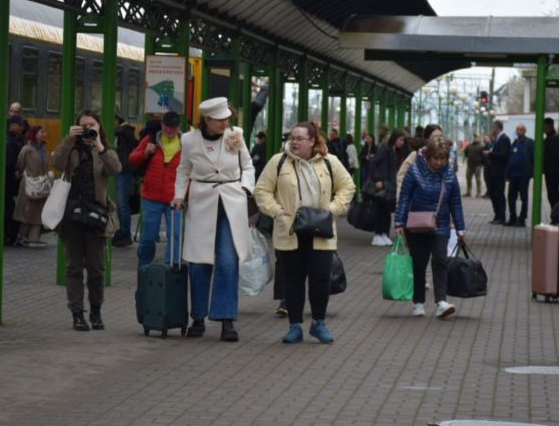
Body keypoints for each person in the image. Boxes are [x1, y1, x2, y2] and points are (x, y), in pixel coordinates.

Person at [253, 121, 355, 344]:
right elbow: (261, 191)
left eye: (300, 138)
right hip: (290, 230)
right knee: (293, 279)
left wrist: (333, 209)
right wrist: (278, 212)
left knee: (320, 278)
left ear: (312, 141)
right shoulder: (278, 162)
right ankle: (295, 326)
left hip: (321, 230)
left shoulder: (330, 162)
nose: (294, 142)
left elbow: (348, 186)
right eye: (292, 138)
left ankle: (319, 323)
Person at [172, 98, 255, 342]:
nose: (225, 123)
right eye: (220, 120)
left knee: (228, 261)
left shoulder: (235, 135)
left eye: (227, 118)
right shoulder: (188, 140)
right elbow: (183, 170)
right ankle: (198, 317)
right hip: (201, 203)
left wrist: (245, 189)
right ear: (206, 120)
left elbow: (247, 166)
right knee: (199, 263)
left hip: (231, 202)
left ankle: (226, 319)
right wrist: (178, 196)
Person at [52, 110, 121, 331]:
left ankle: (96, 311)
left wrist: (99, 145)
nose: (89, 128)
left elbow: (115, 169)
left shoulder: (104, 150)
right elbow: (57, 163)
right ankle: (77, 314)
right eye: (84, 125)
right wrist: (68, 139)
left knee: (96, 268)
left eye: (92, 124)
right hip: (72, 216)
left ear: (99, 126)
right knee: (74, 268)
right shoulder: (71, 148)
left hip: (96, 216)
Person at [395, 138, 466, 319]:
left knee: (440, 260)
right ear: (428, 157)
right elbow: (404, 197)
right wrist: (399, 222)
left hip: (441, 224)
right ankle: (418, 302)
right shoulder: (415, 171)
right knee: (419, 263)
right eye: (436, 158)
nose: (439, 162)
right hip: (417, 225)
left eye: (443, 159)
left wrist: (460, 228)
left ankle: (441, 301)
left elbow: (455, 202)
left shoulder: (449, 175)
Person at [130, 111, 183, 266]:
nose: (169, 130)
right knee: (148, 237)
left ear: (179, 127)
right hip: (151, 197)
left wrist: (185, 194)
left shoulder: (185, 143)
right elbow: (132, 160)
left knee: (175, 235)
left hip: (175, 199)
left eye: (173, 127)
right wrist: (145, 152)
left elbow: (191, 169)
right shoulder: (151, 139)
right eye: (166, 126)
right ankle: (144, 267)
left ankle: (171, 269)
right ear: (162, 124)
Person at [367, 129, 409, 246]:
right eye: (401, 140)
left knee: (385, 210)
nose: (402, 143)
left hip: (388, 184)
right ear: (395, 139)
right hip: (382, 184)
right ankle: (378, 234)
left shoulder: (391, 150)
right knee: (380, 210)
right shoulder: (385, 150)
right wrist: (378, 180)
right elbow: (374, 164)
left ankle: (384, 233)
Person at [13, 125, 50, 247]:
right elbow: (20, 164)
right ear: (35, 134)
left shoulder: (43, 150)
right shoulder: (27, 149)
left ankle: (34, 237)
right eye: (42, 132)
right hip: (29, 183)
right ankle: (22, 236)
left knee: (38, 210)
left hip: (41, 183)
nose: (44, 134)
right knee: (27, 209)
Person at [113, 115, 138, 248]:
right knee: (119, 204)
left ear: (117, 121)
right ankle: (120, 232)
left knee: (122, 204)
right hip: (118, 170)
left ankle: (125, 234)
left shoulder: (124, 131)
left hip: (123, 170)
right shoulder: (121, 132)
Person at [506, 123, 534, 227]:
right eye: (517, 129)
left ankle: (522, 218)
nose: (519, 131)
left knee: (523, 197)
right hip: (513, 175)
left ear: (525, 131)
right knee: (511, 196)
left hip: (523, 175)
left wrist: (531, 173)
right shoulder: (514, 143)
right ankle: (512, 217)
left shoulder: (530, 143)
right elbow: (510, 158)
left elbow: (533, 158)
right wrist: (508, 173)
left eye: (521, 129)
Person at [484, 120, 510, 225]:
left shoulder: (504, 139)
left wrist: (490, 154)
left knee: (499, 194)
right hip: (492, 171)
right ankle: (497, 215)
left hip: (499, 172)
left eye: (493, 127)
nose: (492, 129)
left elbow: (503, 155)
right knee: (493, 193)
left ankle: (501, 216)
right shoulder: (497, 139)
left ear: (497, 127)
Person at [5, 114, 25, 245]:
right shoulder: (10, 140)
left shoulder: (16, 139)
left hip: (12, 178)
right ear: (12, 125)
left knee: (11, 206)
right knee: (9, 206)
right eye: (19, 125)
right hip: (9, 179)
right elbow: (10, 160)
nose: (21, 127)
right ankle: (8, 235)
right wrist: (15, 171)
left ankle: (10, 235)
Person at [542, 117, 559, 210]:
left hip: (553, 172)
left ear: (550, 126)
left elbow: (558, 156)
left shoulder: (554, 139)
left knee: (553, 195)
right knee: (551, 195)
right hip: (550, 171)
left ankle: (556, 215)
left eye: (545, 127)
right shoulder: (549, 139)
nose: (544, 129)